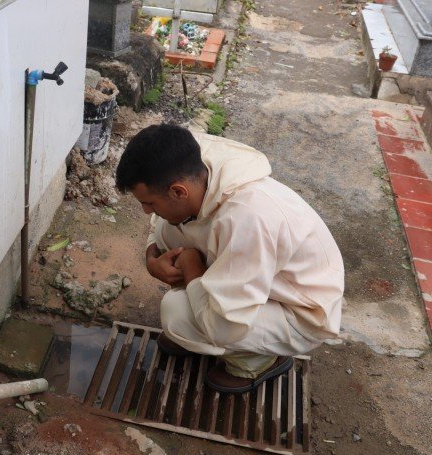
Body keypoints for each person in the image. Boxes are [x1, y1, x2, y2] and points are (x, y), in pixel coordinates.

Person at [115, 124, 344, 393]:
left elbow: (225, 327)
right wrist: (151, 255)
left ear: (178, 191)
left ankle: (257, 361)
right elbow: (162, 228)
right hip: (259, 274)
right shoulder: (198, 164)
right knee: (168, 231)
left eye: (150, 203)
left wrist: (191, 267)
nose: (145, 211)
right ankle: (200, 326)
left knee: (175, 314)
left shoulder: (247, 219)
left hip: (299, 310)